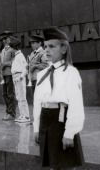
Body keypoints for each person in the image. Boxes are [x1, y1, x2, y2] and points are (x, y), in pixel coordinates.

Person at [33, 27, 84, 169]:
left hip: (60, 120)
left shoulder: (70, 72)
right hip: (45, 119)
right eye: (45, 46)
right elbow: (37, 102)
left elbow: (76, 104)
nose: (46, 50)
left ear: (63, 49)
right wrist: (36, 128)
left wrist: (70, 132)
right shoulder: (42, 74)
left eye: (51, 46)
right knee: (52, 164)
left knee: (64, 163)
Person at [10, 37, 31, 123]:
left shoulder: (20, 56)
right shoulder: (17, 56)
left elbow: (25, 68)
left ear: (14, 47)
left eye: (12, 47)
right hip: (15, 77)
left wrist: (21, 77)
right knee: (18, 97)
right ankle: (22, 115)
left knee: (22, 97)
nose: (11, 49)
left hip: (19, 77)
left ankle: (26, 116)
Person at [0, 31, 17, 121]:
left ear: (9, 39)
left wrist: (5, 63)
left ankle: (12, 113)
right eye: (3, 39)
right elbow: (1, 63)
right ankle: (8, 111)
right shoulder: (2, 50)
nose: (4, 41)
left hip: (10, 74)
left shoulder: (12, 50)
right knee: (4, 94)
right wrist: (0, 66)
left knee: (10, 94)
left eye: (5, 39)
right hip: (3, 75)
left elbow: (15, 62)